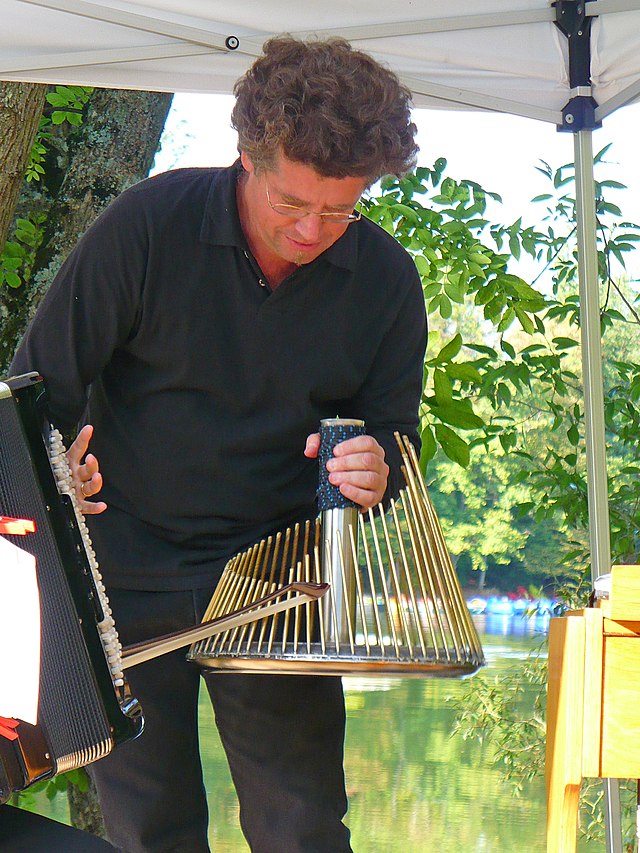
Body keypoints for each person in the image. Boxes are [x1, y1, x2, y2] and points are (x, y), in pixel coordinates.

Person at [11, 37, 427, 853]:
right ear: (247, 156)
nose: (312, 230)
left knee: (301, 824)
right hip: (123, 569)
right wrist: (62, 472)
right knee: (148, 827)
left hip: (278, 582)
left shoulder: (384, 279)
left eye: (341, 210)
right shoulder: (146, 226)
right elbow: (35, 399)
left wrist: (376, 466)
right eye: (291, 203)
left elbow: (395, 439)